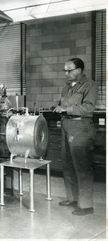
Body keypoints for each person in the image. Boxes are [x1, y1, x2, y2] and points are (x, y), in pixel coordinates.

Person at [53, 58, 97, 216]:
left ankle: (86, 206)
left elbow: (88, 108)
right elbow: (63, 105)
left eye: (69, 70)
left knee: (82, 166)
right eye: (65, 70)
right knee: (67, 164)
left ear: (79, 70)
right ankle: (72, 198)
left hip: (81, 128)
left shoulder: (89, 85)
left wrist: (66, 108)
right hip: (66, 127)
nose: (66, 73)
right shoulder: (65, 88)